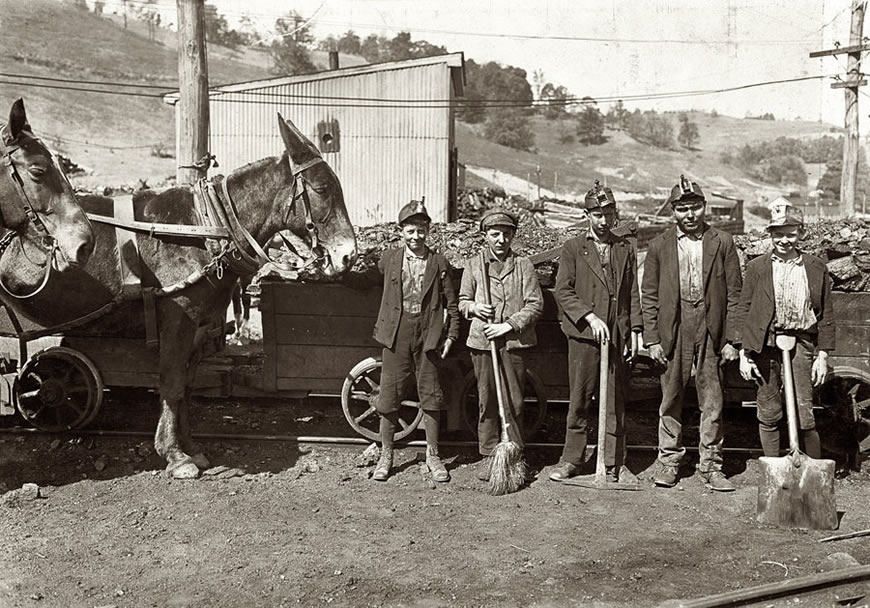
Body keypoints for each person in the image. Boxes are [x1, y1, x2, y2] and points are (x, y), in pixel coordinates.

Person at [641, 175, 742, 491]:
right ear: (673, 211)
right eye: (682, 209)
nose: (689, 215)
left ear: (704, 208)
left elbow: (735, 294)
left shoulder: (722, 243)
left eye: (695, 207)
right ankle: (669, 462)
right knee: (670, 398)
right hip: (675, 328)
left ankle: (711, 466)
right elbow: (650, 295)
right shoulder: (658, 246)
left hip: (710, 327)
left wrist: (731, 339)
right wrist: (653, 339)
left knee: (711, 399)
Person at [549, 180, 642, 483]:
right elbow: (563, 291)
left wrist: (633, 331)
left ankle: (614, 463)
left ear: (615, 214)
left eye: (608, 214)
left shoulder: (623, 248)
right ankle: (572, 460)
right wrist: (589, 316)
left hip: (616, 336)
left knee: (615, 400)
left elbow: (631, 294)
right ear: (586, 215)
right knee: (579, 399)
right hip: (584, 336)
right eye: (597, 214)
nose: (603, 221)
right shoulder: (573, 248)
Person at [730, 203, 833, 459]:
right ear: (770, 234)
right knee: (769, 409)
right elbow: (744, 309)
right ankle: (774, 468)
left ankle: (812, 468)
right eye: (778, 234)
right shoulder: (757, 268)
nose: (784, 240)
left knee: (803, 411)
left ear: (801, 234)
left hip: (801, 343)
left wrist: (822, 356)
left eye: (791, 234)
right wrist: (744, 352)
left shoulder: (815, 267)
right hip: (766, 345)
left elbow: (826, 313)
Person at [371, 200, 461, 482]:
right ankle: (386, 455)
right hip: (396, 333)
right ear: (402, 232)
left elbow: (453, 303)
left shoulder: (438, 262)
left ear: (428, 232)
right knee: (389, 395)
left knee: (431, 395)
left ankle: (433, 455)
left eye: (421, 231)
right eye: (410, 231)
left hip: (428, 335)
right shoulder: (389, 259)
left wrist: (451, 335)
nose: (416, 237)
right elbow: (366, 279)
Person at [458, 208, 544, 482]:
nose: (500, 240)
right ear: (485, 236)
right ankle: (488, 456)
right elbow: (461, 302)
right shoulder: (474, 265)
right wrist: (473, 307)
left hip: (514, 342)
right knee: (487, 401)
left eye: (506, 235)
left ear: (512, 237)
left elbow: (535, 304)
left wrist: (508, 325)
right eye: (495, 234)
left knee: (515, 401)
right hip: (484, 343)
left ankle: (514, 455)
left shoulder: (523, 265)